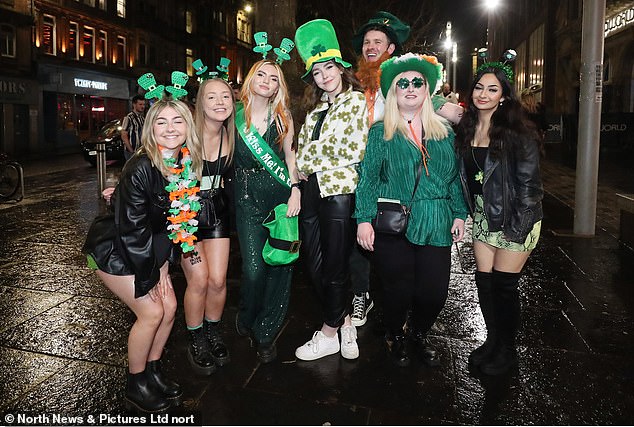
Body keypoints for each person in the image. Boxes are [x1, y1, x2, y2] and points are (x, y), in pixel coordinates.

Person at [83, 97, 203, 412]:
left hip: (148, 248)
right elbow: (133, 232)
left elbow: (175, 225)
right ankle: (135, 384)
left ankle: (152, 370)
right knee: (151, 312)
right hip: (115, 249)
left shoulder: (185, 162)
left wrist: (163, 267)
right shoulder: (142, 166)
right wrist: (150, 274)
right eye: (161, 122)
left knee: (170, 306)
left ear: (187, 126)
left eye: (177, 121)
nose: (170, 128)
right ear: (150, 128)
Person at [349, 11, 465, 328]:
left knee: (433, 294)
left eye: (417, 83)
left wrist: (459, 213)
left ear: (428, 90)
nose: (411, 87)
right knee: (396, 291)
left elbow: (453, 178)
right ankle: (396, 336)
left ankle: (418, 333)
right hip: (392, 219)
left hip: (435, 219)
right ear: (394, 92)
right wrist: (363, 220)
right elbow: (369, 179)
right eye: (403, 84)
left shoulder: (444, 132)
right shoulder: (380, 131)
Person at [455, 62, 543, 376]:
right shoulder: (466, 127)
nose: (483, 93)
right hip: (483, 215)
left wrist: (517, 231)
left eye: (492, 89)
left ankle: (507, 351)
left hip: (517, 217)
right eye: (479, 87)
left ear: (503, 95)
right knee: (485, 283)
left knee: (505, 286)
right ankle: (493, 341)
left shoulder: (517, 133)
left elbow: (530, 187)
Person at [293, 19, 368, 361]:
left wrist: (308, 157)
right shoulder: (315, 110)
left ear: (340, 68)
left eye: (328, 68)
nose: (324, 76)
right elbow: (303, 150)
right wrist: (309, 157)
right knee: (315, 264)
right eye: (317, 72)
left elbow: (352, 148)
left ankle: (328, 333)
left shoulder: (355, 102)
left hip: (340, 194)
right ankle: (346, 322)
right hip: (312, 192)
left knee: (336, 265)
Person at [233, 53, 300, 363]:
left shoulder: (283, 117)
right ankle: (247, 314)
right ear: (252, 78)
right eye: (262, 75)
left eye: (274, 79)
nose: (267, 82)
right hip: (246, 197)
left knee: (279, 265)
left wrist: (296, 191)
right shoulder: (234, 116)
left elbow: (290, 159)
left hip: (279, 196)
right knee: (254, 269)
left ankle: (266, 331)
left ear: (278, 87)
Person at [180, 77, 235, 375]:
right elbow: (152, 156)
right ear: (200, 102)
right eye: (212, 97)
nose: (219, 102)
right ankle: (196, 337)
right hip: (184, 214)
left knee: (217, 280)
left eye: (225, 96)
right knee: (199, 279)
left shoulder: (232, 133)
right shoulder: (186, 133)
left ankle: (213, 332)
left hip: (217, 213)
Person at [121, 95, 146, 161]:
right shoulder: (128, 118)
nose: (142, 106)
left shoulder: (142, 118)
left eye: (143, 104)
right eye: (140, 104)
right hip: (131, 151)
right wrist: (131, 151)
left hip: (140, 151)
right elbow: (124, 135)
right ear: (134, 105)